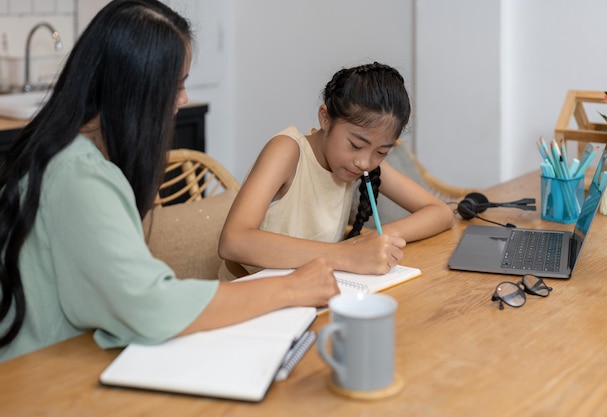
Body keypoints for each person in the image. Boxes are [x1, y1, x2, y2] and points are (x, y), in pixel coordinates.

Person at [0, 0, 338, 363]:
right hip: (38, 375)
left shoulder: (61, 151)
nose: (183, 99)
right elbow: (151, 304)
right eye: (175, 85)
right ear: (135, 89)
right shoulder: (80, 177)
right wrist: (290, 288)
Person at [218, 62, 455, 280]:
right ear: (325, 118)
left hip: (309, 292)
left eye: (382, 152)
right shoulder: (288, 151)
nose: (365, 162)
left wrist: (375, 240)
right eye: (356, 145)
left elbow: (440, 213)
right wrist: (345, 255)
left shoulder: (361, 163)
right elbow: (233, 241)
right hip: (250, 294)